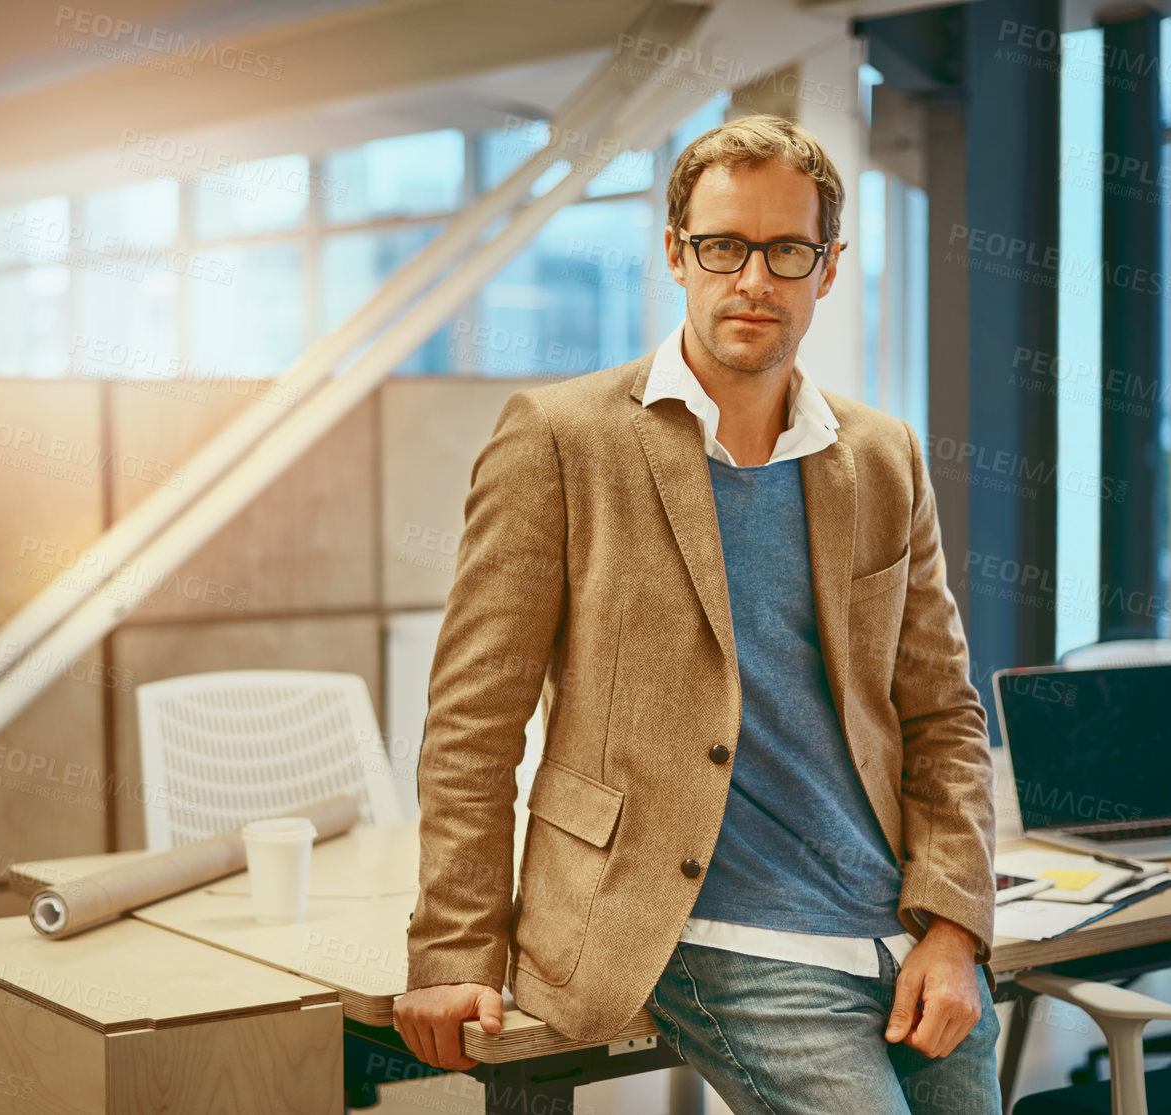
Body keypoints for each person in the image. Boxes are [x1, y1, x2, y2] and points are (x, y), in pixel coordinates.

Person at [396, 113, 999, 1115]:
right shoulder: (560, 439)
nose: (753, 279)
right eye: (724, 246)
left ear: (829, 267)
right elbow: (474, 721)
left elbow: (943, 714)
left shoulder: (882, 455)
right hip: (693, 924)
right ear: (677, 253)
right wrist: (453, 946)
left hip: (891, 922)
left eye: (786, 250)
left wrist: (955, 922)